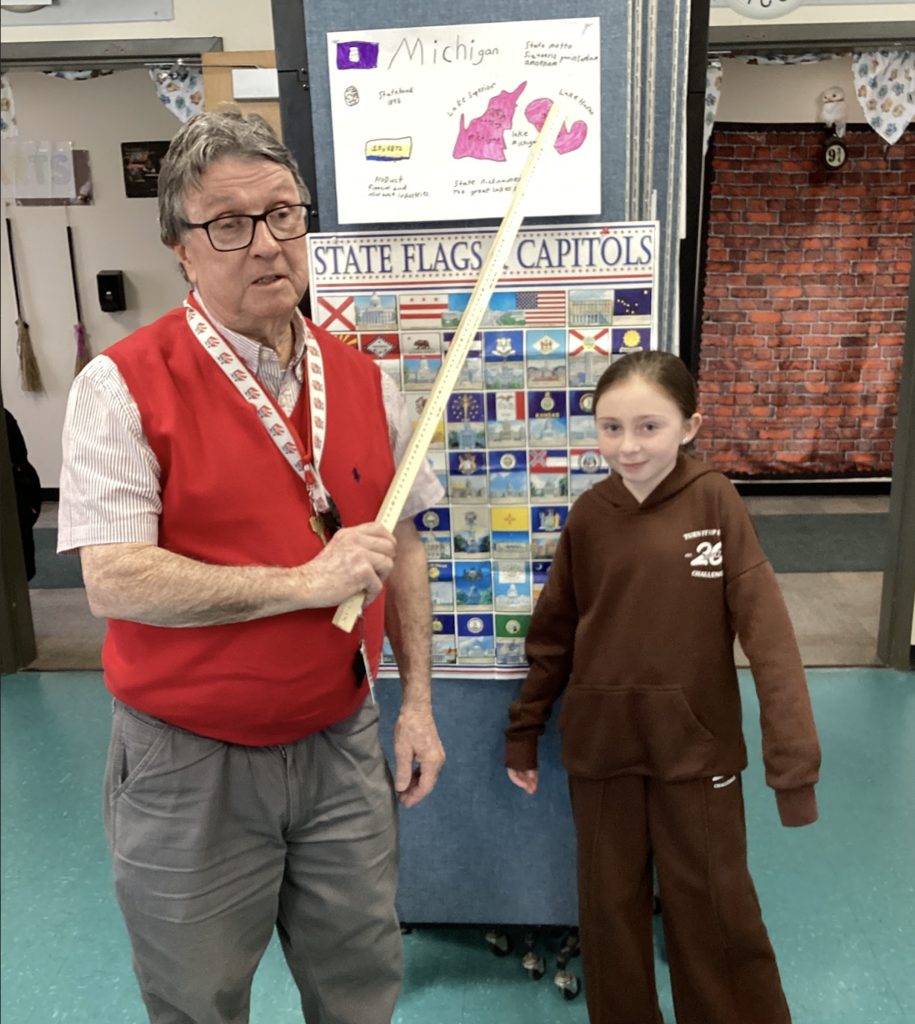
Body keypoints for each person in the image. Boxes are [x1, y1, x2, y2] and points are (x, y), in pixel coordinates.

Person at [57, 109, 446, 1024]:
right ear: (182, 249)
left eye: (283, 215)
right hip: (189, 762)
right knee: (198, 1000)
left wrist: (418, 703)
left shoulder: (365, 382)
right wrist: (301, 585)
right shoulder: (120, 387)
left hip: (339, 744)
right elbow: (115, 579)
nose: (265, 244)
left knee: (359, 984)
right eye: (227, 225)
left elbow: (407, 544)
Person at [504, 350, 820, 1024]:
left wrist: (791, 769)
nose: (628, 445)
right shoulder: (589, 516)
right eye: (610, 427)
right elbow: (553, 635)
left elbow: (768, 638)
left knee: (714, 912)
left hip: (696, 757)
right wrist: (523, 731)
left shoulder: (716, 502)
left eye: (648, 426)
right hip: (601, 755)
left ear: (688, 426)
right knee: (610, 917)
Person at [5, 408, 41, 580]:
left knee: (16, 576)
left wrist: (27, 510)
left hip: (13, 507)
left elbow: (21, 462)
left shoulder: (4, 419)